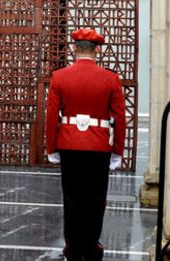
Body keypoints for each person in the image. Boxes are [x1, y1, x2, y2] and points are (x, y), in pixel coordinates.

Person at [45, 28, 126, 261]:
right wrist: (117, 151)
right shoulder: (111, 78)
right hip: (98, 146)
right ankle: (91, 247)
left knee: (71, 198)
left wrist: (52, 148)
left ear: (74, 49)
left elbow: (52, 117)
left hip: (69, 144)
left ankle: (72, 247)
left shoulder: (59, 76)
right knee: (96, 199)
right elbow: (120, 118)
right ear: (97, 50)